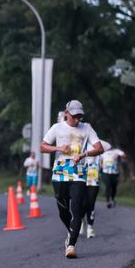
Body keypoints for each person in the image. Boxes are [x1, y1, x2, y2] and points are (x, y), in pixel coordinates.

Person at [40, 100, 103, 258]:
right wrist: (58, 148)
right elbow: (42, 146)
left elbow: (99, 148)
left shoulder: (86, 128)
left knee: (77, 209)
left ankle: (71, 245)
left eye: (79, 116)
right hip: (60, 172)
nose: (76, 120)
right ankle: (72, 231)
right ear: (66, 113)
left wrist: (83, 154)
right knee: (63, 210)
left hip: (79, 172)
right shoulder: (57, 128)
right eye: (74, 116)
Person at [80, 141, 107, 238]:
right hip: (81, 180)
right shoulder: (81, 145)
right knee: (82, 204)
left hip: (93, 181)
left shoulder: (99, 148)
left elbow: (107, 147)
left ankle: (90, 228)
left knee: (90, 204)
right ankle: (82, 221)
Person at [101, 142, 126, 208]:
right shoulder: (103, 152)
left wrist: (119, 156)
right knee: (108, 186)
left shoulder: (116, 151)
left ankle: (112, 198)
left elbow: (124, 155)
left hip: (115, 172)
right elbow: (100, 160)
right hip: (106, 172)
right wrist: (101, 165)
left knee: (114, 187)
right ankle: (107, 201)